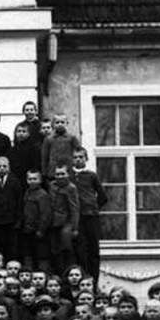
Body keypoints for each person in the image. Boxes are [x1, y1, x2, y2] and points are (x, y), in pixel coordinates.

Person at [71, 148, 107, 282]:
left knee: (93, 250)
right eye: (75, 157)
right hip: (76, 218)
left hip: (91, 217)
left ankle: (94, 281)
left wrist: (93, 207)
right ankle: (82, 280)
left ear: (86, 159)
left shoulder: (91, 176)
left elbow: (103, 196)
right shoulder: (69, 176)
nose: (78, 160)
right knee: (80, 250)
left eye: (81, 157)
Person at [48, 166, 80, 274]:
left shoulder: (71, 188)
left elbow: (74, 208)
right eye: (57, 174)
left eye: (62, 174)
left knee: (66, 248)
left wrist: (74, 227)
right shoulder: (52, 186)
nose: (60, 177)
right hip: (53, 221)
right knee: (54, 250)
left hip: (66, 221)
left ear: (68, 175)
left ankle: (67, 272)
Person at [41, 114, 80, 180]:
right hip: (53, 171)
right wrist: (44, 172)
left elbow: (78, 152)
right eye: (57, 122)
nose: (60, 124)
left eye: (62, 122)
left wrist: (77, 168)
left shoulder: (72, 138)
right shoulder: (48, 139)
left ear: (66, 123)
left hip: (68, 170)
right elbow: (44, 157)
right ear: (53, 124)